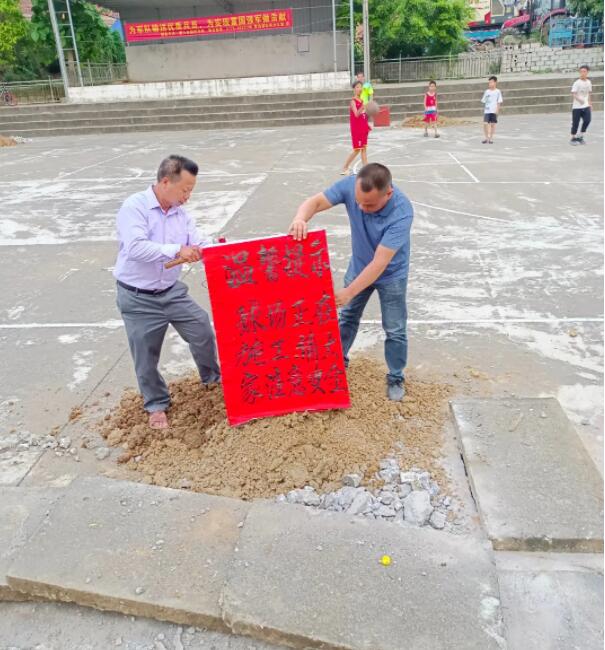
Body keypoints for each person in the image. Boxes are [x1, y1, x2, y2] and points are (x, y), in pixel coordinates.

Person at [289, 163, 413, 401]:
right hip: (358, 267)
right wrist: (300, 219)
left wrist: (349, 292)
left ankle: (396, 376)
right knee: (347, 318)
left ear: (388, 193)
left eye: (370, 205)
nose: (362, 208)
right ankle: (337, 363)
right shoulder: (351, 185)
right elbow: (315, 202)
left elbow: (379, 263)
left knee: (395, 328)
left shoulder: (402, 212)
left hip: (391, 275)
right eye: (358, 202)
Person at [114, 155, 221, 429]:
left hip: (172, 292)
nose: (187, 197)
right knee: (145, 355)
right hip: (138, 297)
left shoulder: (181, 214)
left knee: (202, 329)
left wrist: (216, 250)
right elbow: (135, 248)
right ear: (165, 182)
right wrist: (176, 250)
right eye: (185, 190)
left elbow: (197, 242)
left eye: (191, 191)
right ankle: (156, 404)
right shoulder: (134, 207)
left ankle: (212, 381)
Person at [341, 81, 370, 175]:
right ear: (354, 89)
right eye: (357, 87)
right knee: (357, 149)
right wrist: (363, 106)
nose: (359, 89)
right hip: (357, 129)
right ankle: (345, 167)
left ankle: (366, 169)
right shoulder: (353, 101)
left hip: (363, 127)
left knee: (364, 149)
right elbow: (356, 114)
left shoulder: (362, 100)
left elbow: (364, 114)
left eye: (361, 87)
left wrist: (367, 124)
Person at [570, 65, 592, 145]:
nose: (582, 73)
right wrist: (580, 100)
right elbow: (573, 94)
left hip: (586, 105)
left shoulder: (589, 82)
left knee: (587, 120)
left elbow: (589, 93)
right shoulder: (577, 83)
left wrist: (590, 103)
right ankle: (573, 138)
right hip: (577, 107)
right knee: (576, 123)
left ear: (587, 72)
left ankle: (580, 136)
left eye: (584, 71)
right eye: (581, 71)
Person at [481, 75, 503, 144]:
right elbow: (484, 100)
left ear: (495, 82)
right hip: (487, 111)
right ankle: (486, 138)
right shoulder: (487, 91)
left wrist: (497, 110)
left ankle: (491, 138)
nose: (490, 84)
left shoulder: (498, 91)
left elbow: (499, 101)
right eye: (489, 82)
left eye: (491, 82)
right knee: (485, 124)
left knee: (493, 124)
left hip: (494, 111)